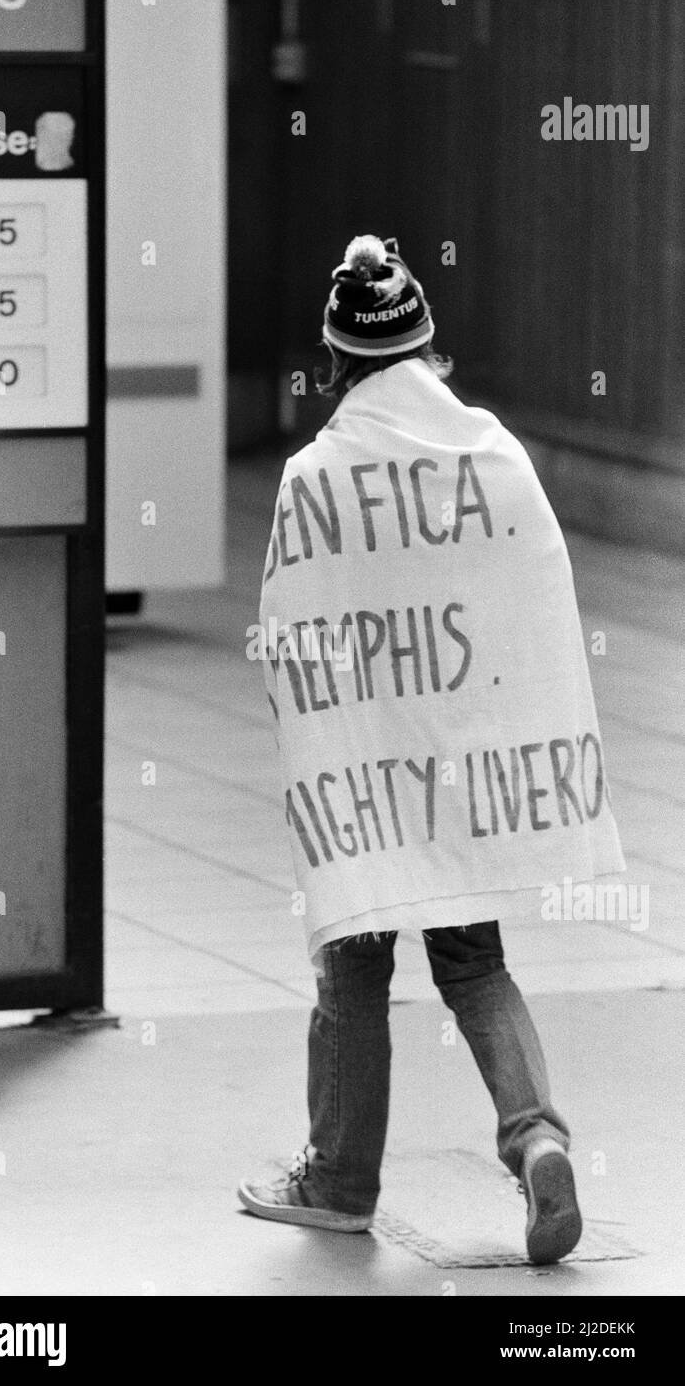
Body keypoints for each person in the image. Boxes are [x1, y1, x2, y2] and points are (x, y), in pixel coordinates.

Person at [238, 235, 625, 1264]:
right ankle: (535, 1133)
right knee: (474, 963)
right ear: (425, 348)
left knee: (351, 971)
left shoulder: (314, 477)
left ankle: (337, 1177)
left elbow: (287, 625)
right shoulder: (489, 454)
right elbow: (533, 594)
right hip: (460, 768)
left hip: (370, 774)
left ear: (334, 358)